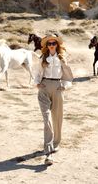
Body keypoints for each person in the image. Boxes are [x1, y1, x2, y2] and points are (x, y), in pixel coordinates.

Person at [34, 34, 73, 165]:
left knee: (57, 118)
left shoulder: (62, 58)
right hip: (44, 88)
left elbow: (68, 76)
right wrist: (37, 83)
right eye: (49, 43)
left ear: (57, 45)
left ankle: (56, 143)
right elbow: (38, 73)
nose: (51, 45)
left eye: (53, 43)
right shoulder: (43, 58)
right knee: (47, 119)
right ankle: (48, 152)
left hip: (57, 88)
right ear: (46, 45)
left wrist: (64, 86)